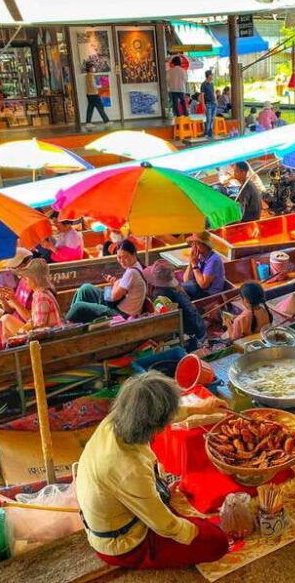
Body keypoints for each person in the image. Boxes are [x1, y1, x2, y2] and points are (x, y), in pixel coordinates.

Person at [76, 372, 229, 569]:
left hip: (124, 508)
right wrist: (196, 532)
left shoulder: (120, 417)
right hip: (124, 543)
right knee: (217, 542)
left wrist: (200, 408)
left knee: (200, 525)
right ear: (154, 424)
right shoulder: (129, 468)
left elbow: (156, 413)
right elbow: (166, 526)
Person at [65, 240, 147, 323]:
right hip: (117, 305)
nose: (122, 261)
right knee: (85, 288)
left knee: (78, 306)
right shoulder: (136, 266)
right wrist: (116, 283)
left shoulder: (132, 272)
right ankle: (73, 320)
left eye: (125, 257)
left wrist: (115, 284)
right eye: (119, 257)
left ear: (134, 255)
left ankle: (69, 322)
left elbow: (113, 297)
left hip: (121, 315)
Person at [144, 259, 206, 349]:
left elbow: (161, 315)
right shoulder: (177, 292)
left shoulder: (160, 294)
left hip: (188, 332)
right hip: (196, 327)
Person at [1, 258, 63, 336]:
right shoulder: (40, 293)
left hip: (46, 339)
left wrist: (21, 332)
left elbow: (39, 327)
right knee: (5, 324)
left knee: (6, 319)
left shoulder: (41, 297)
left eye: (26, 278)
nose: (24, 281)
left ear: (34, 279)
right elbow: (34, 321)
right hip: (46, 334)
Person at [182, 232, 226, 299]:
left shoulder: (214, 260)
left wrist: (195, 265)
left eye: (197, 243)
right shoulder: (198, 256)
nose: (194, 247)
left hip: (209, 294)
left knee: (181, 290)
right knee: (179, 289)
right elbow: (186, 280)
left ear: (205, 245)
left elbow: (203, 285)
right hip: (198, 287)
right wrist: (191, 262)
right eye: (193, 244)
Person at [83, 62, 110, 129]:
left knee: (90, 108)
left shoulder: (87, 75)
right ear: (89, 69)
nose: (93, 69)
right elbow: (93, 85)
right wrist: (100, 86)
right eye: (92, 67)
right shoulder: (91, 75)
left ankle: (88, 123)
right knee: (100, 107)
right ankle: (106, 121)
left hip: (89, 94)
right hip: (94, 94)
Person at [201, 70, 216, 139]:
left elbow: (213, 93)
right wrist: (203, 104)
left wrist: (216, 100)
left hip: (213, 103)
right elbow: (202, 95)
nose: (212, 76)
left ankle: (210, 133)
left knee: (212, 119)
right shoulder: (203, 84)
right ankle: (206, 133)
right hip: (208, 104)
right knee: (209, 119)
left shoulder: (212, 84)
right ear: (208, 76)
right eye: (211, 75)